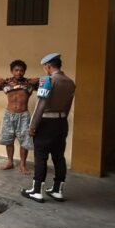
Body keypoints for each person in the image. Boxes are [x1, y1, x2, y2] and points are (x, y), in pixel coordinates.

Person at [22, 52, 76, 203]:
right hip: (61, 122)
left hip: (46, 123)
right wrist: (62, 118)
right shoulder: (70, 82)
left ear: (48, 66)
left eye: (44, 67)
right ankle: (57, 190)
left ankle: (36, 191)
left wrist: (32, 125)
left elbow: (41, 104)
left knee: (41, 156)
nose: (44, 69)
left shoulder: (47, 80)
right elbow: (68, 105)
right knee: (59, 156)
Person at [0, 60, 40, 174]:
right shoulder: (6, 82)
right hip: (9, 114)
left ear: (24, 71)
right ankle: (10, 162)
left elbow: (48, 84)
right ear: (12, 71)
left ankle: (23, 165)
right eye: (16, 70)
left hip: (24, 116)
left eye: (21, 70)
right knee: (8, 139)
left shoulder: (29, 83)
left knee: (25, 141)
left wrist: (39, 79)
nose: (19, 72)